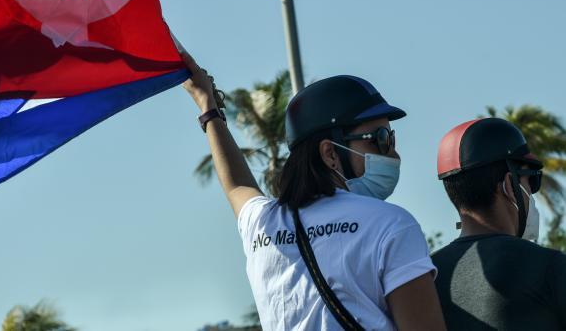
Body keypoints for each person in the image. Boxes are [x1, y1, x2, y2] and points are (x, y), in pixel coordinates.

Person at [182, 52, 445, 331]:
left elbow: (236, 185)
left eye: (391, 138)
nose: (393, 153)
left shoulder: (263, 224)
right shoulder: (392, 225)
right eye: (379, 139)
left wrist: (207, 106)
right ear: (330, 153)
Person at [432, 117, 566, 330]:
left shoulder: (424, 277)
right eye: (531, 180)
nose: (531, 192)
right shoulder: (550, 267)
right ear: (509, 186)